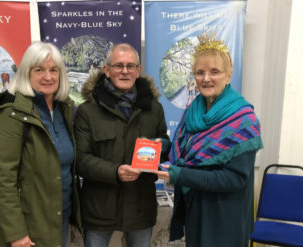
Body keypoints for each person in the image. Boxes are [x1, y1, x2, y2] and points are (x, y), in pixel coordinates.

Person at [154, 33, 263, 247]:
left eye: (215, 72)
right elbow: (186, 151)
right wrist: (159, 146)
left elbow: (234, 179)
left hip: (225, 215)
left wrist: (181, 175)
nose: (206, 78)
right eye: (200, 72)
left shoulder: (243, 120)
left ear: (229, 75)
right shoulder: (194, 110)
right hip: (196, 207)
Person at [74, 43, 170, 247]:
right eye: (118, 65)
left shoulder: (154, 109)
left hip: (140, 205)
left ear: (139, 70)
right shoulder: (87, 111)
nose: (125, 71)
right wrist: (115, 171)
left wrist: (158, 151)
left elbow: (164, 143)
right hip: (99, 208)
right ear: (107, 71)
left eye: (130, 66)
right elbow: (81, 160)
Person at [0, 41, 82, 247]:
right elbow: (2, 180)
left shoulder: (63, 110)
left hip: (59, 216)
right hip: (28, 225)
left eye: (53, 70)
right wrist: (16, 233)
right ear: (26, 73)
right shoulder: (11, 114)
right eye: (39, 70)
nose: (48, 77)